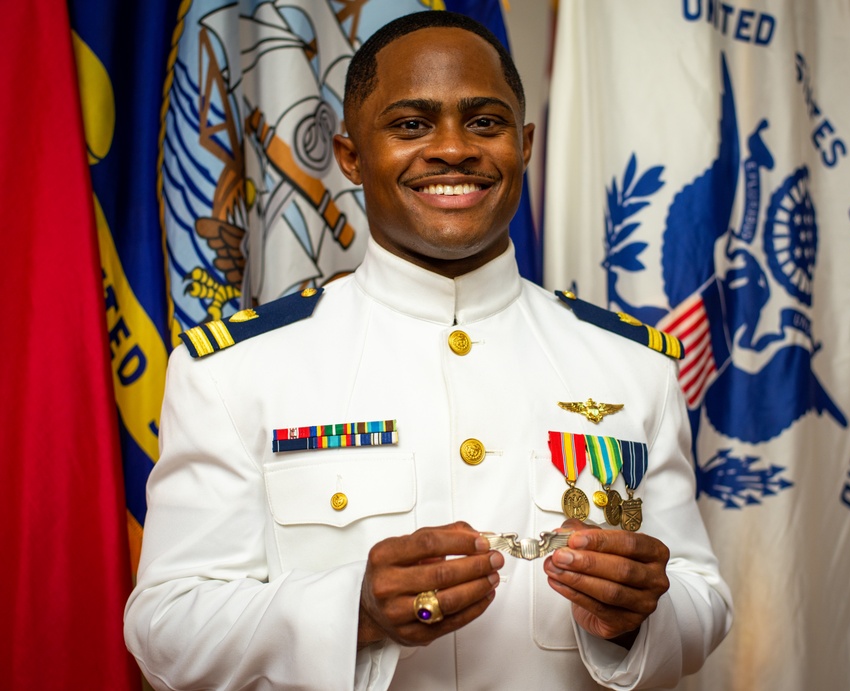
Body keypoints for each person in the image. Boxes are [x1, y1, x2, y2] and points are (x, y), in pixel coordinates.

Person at [124, 10, 731, 690]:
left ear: (525, 144)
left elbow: (704, 598)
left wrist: (638, 615)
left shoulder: (633, 366)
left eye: (485, 122)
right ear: (351, 155)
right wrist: (353, 610)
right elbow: (166, 628)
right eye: (411, 124)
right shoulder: (233, 371)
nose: (452, 149)